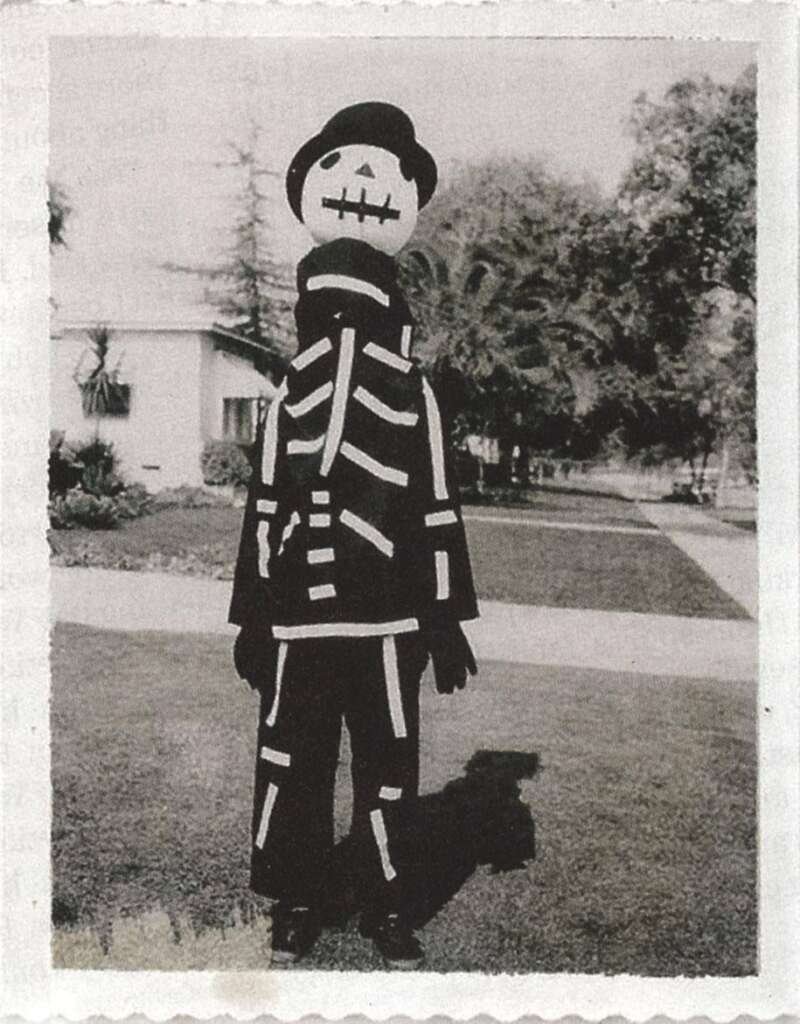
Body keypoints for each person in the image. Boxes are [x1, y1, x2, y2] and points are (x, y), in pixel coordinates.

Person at [229, 101, 479, 969]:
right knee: (289, 761)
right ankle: (294, 900)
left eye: (352, 301)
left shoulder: (414, 392)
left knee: (387, 767)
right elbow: (264, 508)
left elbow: (438, 504)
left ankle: (385, 906)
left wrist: (443, 615)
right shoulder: (286, 394)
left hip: (386, 622)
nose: (337, 320)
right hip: (298, 620)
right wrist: (253, 617)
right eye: (323, 300)